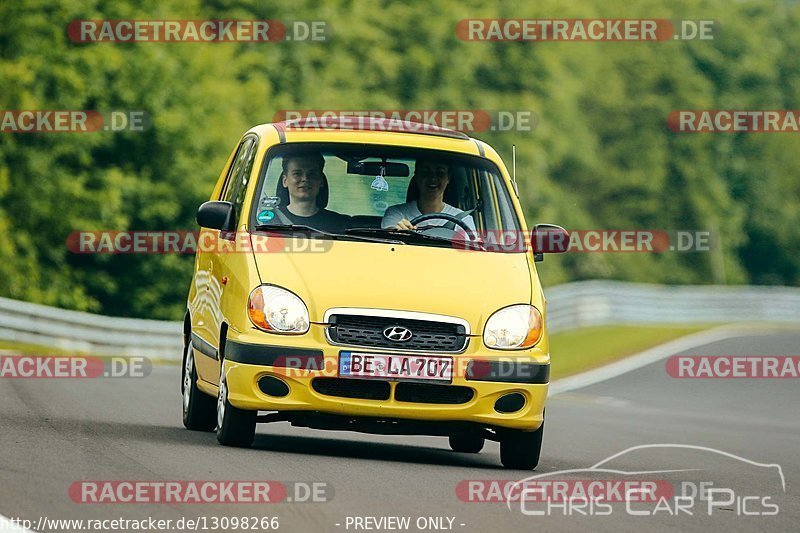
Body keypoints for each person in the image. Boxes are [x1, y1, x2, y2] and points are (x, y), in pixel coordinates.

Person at [381, 158, 475, 231]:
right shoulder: (396, 214)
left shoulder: (464, 220)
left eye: (440, 173)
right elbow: (388, 248)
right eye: (426, 172)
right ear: (416, 176)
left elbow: (470, 253)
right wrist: (396, 232)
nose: (433, 179)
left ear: (448, 178)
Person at [271, 150, 351, 233]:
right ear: (285, 181)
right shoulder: (266, 222)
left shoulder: (340, 225)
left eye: (312, 174)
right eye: (297, 174)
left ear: (321, 181)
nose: (305, 179)